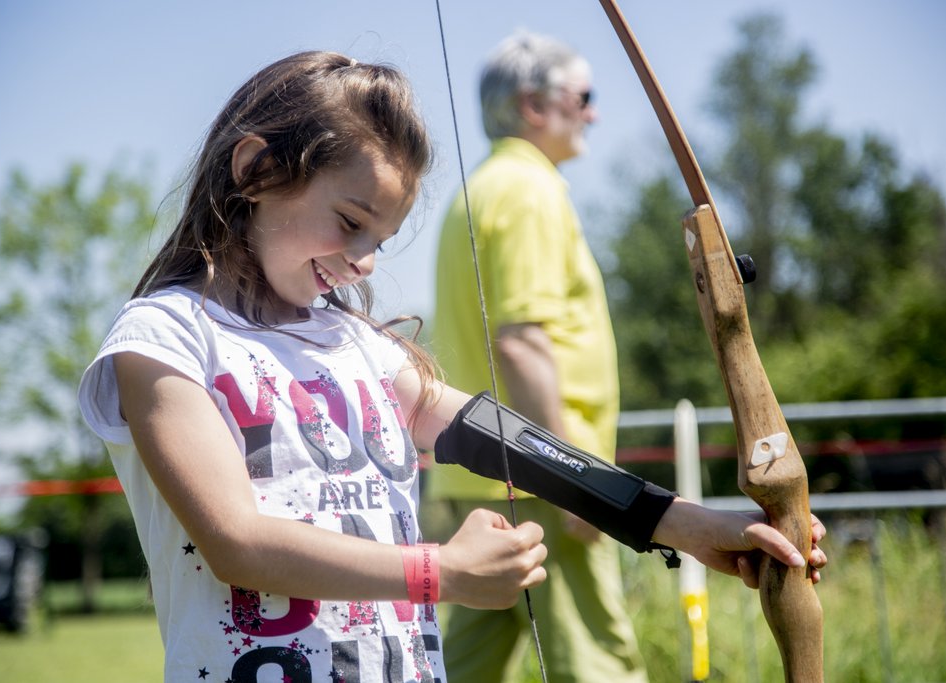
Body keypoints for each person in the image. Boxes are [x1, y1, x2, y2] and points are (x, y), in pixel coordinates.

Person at [78, 51, 826, 683]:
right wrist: (438, 572)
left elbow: (500, 435)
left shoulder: (359, 346)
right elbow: (235, 540)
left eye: (382, 236)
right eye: (349, 221)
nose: (365, 259)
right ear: (257, 167)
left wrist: (682, 524)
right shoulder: (165, 338)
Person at [423, 30, 647, 682]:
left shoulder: (478, 191)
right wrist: (575, 480)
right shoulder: (529, 191)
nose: (594, 112)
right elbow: (520, 341)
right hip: (540, 482)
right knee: (598, 662)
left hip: (483, 477)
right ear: (533, 105)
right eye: (584, 95)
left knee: (462, 666)